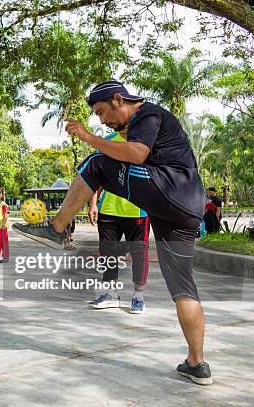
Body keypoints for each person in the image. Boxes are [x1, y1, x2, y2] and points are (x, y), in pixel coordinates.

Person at [41, 80, 211, 385]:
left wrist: (87, 136)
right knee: (183, 286)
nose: (102, 119)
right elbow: (123, 143)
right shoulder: (139, 123)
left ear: (119, 99)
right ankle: (197, 363)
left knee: (95, 162)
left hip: (169, 188)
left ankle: (56, 229)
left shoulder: (148, 114)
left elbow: (135, 154)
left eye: (102, 111)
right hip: (187, 206)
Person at [88, 132, 150, 313]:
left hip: (137, 210)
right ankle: (111, 295)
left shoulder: (146, 140)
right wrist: (93, 203)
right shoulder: (108, 141)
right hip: (108, 209)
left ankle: (139, 297)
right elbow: (97, 174)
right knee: (108, 253)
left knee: (139, 253)